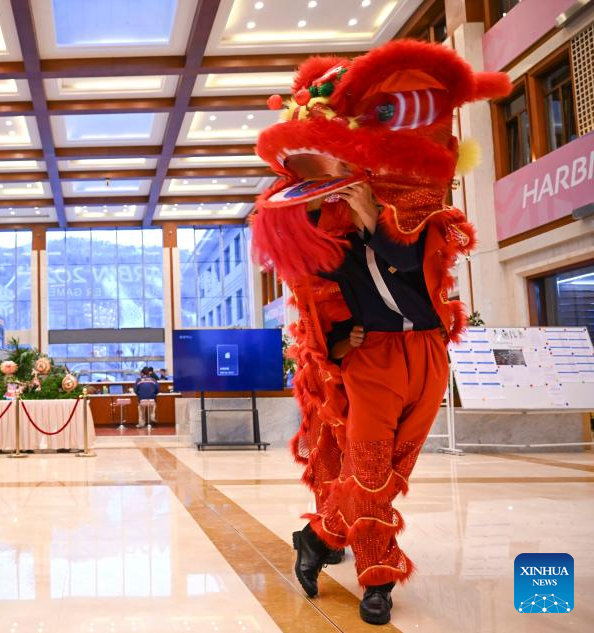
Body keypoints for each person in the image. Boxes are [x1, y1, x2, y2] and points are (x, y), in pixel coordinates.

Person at [251, 41, 509, 625]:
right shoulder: (335, 243)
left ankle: (318, 537)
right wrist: (342, 344)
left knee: (393, 473)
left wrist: (375, 219)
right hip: (373, 361)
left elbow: (413, 272)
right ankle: (378, 580)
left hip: (429, 354)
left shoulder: (423, 221)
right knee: (368, 472)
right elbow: (321, 301)